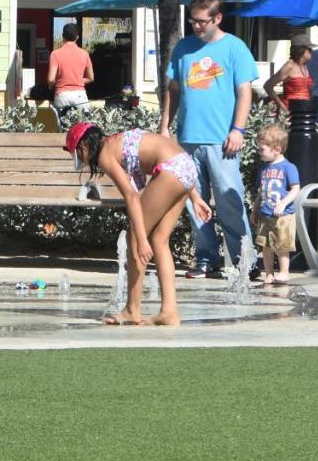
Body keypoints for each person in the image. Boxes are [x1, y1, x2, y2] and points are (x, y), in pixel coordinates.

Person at [65, 122, 213, 325]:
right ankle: (169, 312)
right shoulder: (115, 141)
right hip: (185, 168)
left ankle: (132, 310)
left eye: (76, 153)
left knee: (134, 235)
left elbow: (132, 197)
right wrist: (194, 196)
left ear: (84, 146)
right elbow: (174, 156)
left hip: (171, 169)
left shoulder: (104, 153)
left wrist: (140, 240)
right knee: (160, 239)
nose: (81, 160)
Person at [160, 0, 258, 280]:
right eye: (193, 21)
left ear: (217, 18)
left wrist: (237, 130)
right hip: (188, 140)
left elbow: (244, 92)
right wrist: (165, 126)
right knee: (194, 203)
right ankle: (206, 259)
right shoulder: (183, 48)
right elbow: (174, 90)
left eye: (202, 21)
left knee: (230, 200)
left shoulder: (235, 48)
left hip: (222, 140)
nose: (196, 26)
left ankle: (244, 261)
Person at [252, 124, 300, 286]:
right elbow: (260, 191)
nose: (259, 152)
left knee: (281, 245)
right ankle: (269, 273)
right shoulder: (264, 168)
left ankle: (284, 272)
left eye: (262, 149)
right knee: (266, 245)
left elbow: (295, 189)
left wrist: (283, 204)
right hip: (265, 214)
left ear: (277, 150)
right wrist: (254, 209)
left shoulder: (288, 167)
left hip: (283, 215)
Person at [47, 22, 94, 126]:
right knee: (83, 129)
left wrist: (51, 87)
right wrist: (78, 81)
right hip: (80, 95)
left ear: (63, 36)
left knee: (63, 129)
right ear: (77, 37)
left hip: (62, 95)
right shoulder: (84, 54)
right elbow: (91, 78)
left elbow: (51, 79)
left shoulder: (55, 54)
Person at [264, 36, 316, 119]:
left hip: (303, 112)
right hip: (290, 114)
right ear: (301, 50)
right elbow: (267, 86)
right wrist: (281, 106)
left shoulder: (304, 67)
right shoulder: (289, 66)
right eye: (309, 49)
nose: (312, 52)